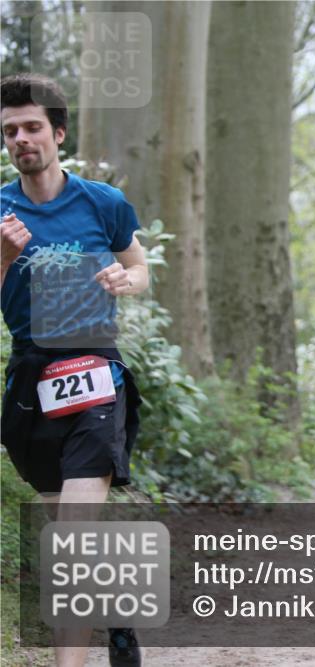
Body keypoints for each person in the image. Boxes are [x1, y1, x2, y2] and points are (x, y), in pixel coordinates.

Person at [1, 74, 147, 667]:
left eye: (32, 127)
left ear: (58, 133)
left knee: (73, 536)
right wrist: (5, 256)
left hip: (94, 371)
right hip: (31, 381)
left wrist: (124, 279)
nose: (21, 139)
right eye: (10, 131)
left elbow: (139, 268)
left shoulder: (102, 203)